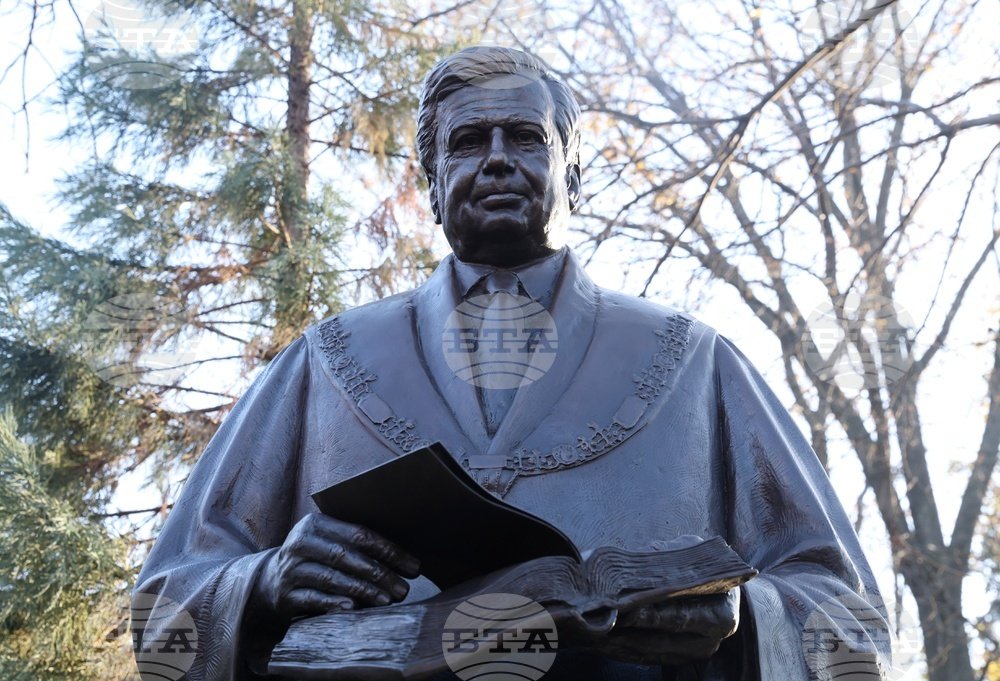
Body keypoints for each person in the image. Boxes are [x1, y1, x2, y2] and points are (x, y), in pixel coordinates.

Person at [133, 46, 889, 681]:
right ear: (431, 183)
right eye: (468, 142)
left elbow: (852, 624)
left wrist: (741, 618)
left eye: (526, 137)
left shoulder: (698, 363)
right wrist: (260, 583)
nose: (497, 159)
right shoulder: (324, 364)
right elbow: (164, 612)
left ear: (574, 173)